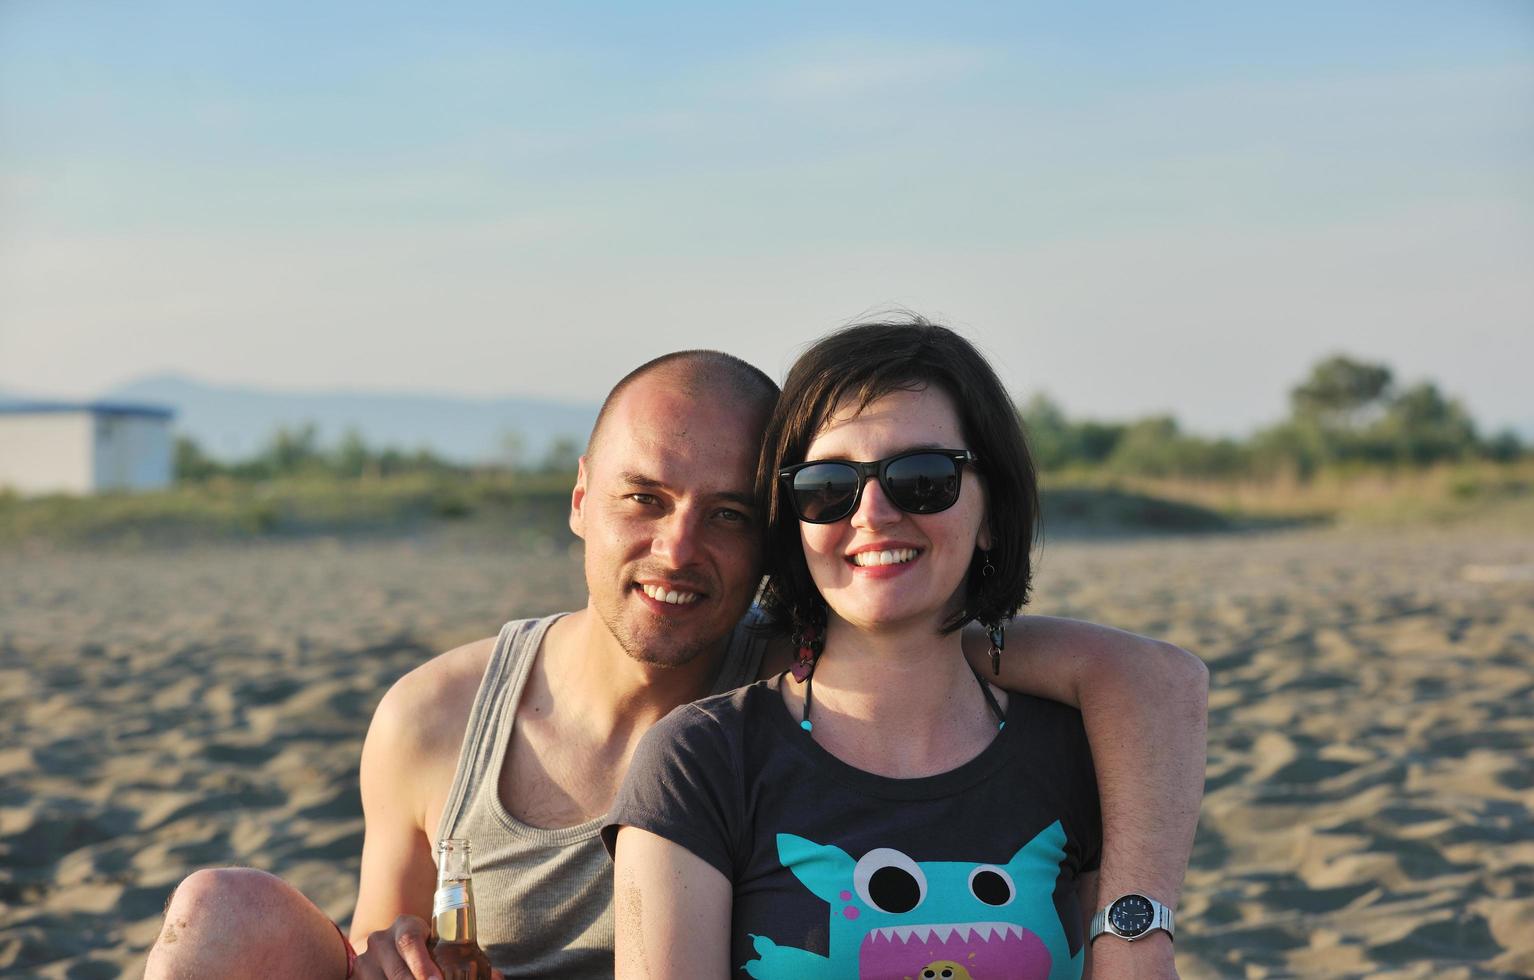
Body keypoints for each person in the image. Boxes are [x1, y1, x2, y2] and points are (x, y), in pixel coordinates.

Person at [145, 345, 1206, 980]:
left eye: (730, 514)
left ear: (775, 537)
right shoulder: (437, 715)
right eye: (643, 499)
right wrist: (397, 951)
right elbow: (382, 935)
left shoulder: (822, 666)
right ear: (578, 500)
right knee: (222, 908)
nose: (678, 548)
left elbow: (1149, 678)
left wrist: (1133, 928)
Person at [607, 319, 1190, 978]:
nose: (873, 512)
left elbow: (1163, 678)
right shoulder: (701, 760)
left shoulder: (1072, 753)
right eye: (827, 485)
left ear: (993, 515)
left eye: (922, 478)